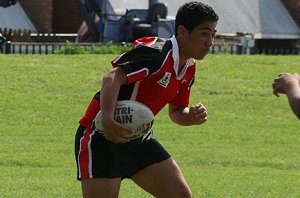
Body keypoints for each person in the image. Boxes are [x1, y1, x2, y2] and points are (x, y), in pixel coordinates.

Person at [75, 1, 219, 197]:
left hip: (138, 137)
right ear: (182, 31)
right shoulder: (157, 53)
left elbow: (176, 112)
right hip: (102, 136)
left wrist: (191, 117)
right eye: (204, 33)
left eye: (213, 34)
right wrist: (108, 119)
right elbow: (112, 77)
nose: (210, 42)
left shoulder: (189, 68)